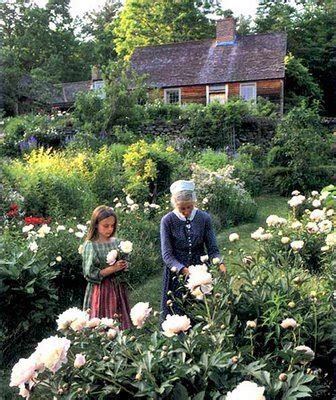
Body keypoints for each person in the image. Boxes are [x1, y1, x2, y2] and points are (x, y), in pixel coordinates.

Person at [160, 180, 226, 320]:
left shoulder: (204, 218)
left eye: (189, 207)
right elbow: (167, 255)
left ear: (194, 202)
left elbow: (213, 249)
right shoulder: (167, 220)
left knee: (202, 312)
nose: (186, 212)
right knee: (176, 314)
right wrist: (183, 270)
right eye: (182, 208)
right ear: (174, 204)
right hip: (176, 273)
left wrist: (219, 263)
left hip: (200, 270)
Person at [82, 205, 131, 329]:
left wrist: (124, 265)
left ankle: (121, 339)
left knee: (118, 317)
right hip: (101, 289)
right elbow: (89, 273)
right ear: (96, 225)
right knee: (103, 319)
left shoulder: (117, 242)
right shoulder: (91, 245)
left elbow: (125, 261)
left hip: (117, 287)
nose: (110, 229)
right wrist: (112, 269)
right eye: (106, 226)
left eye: (112, 225)